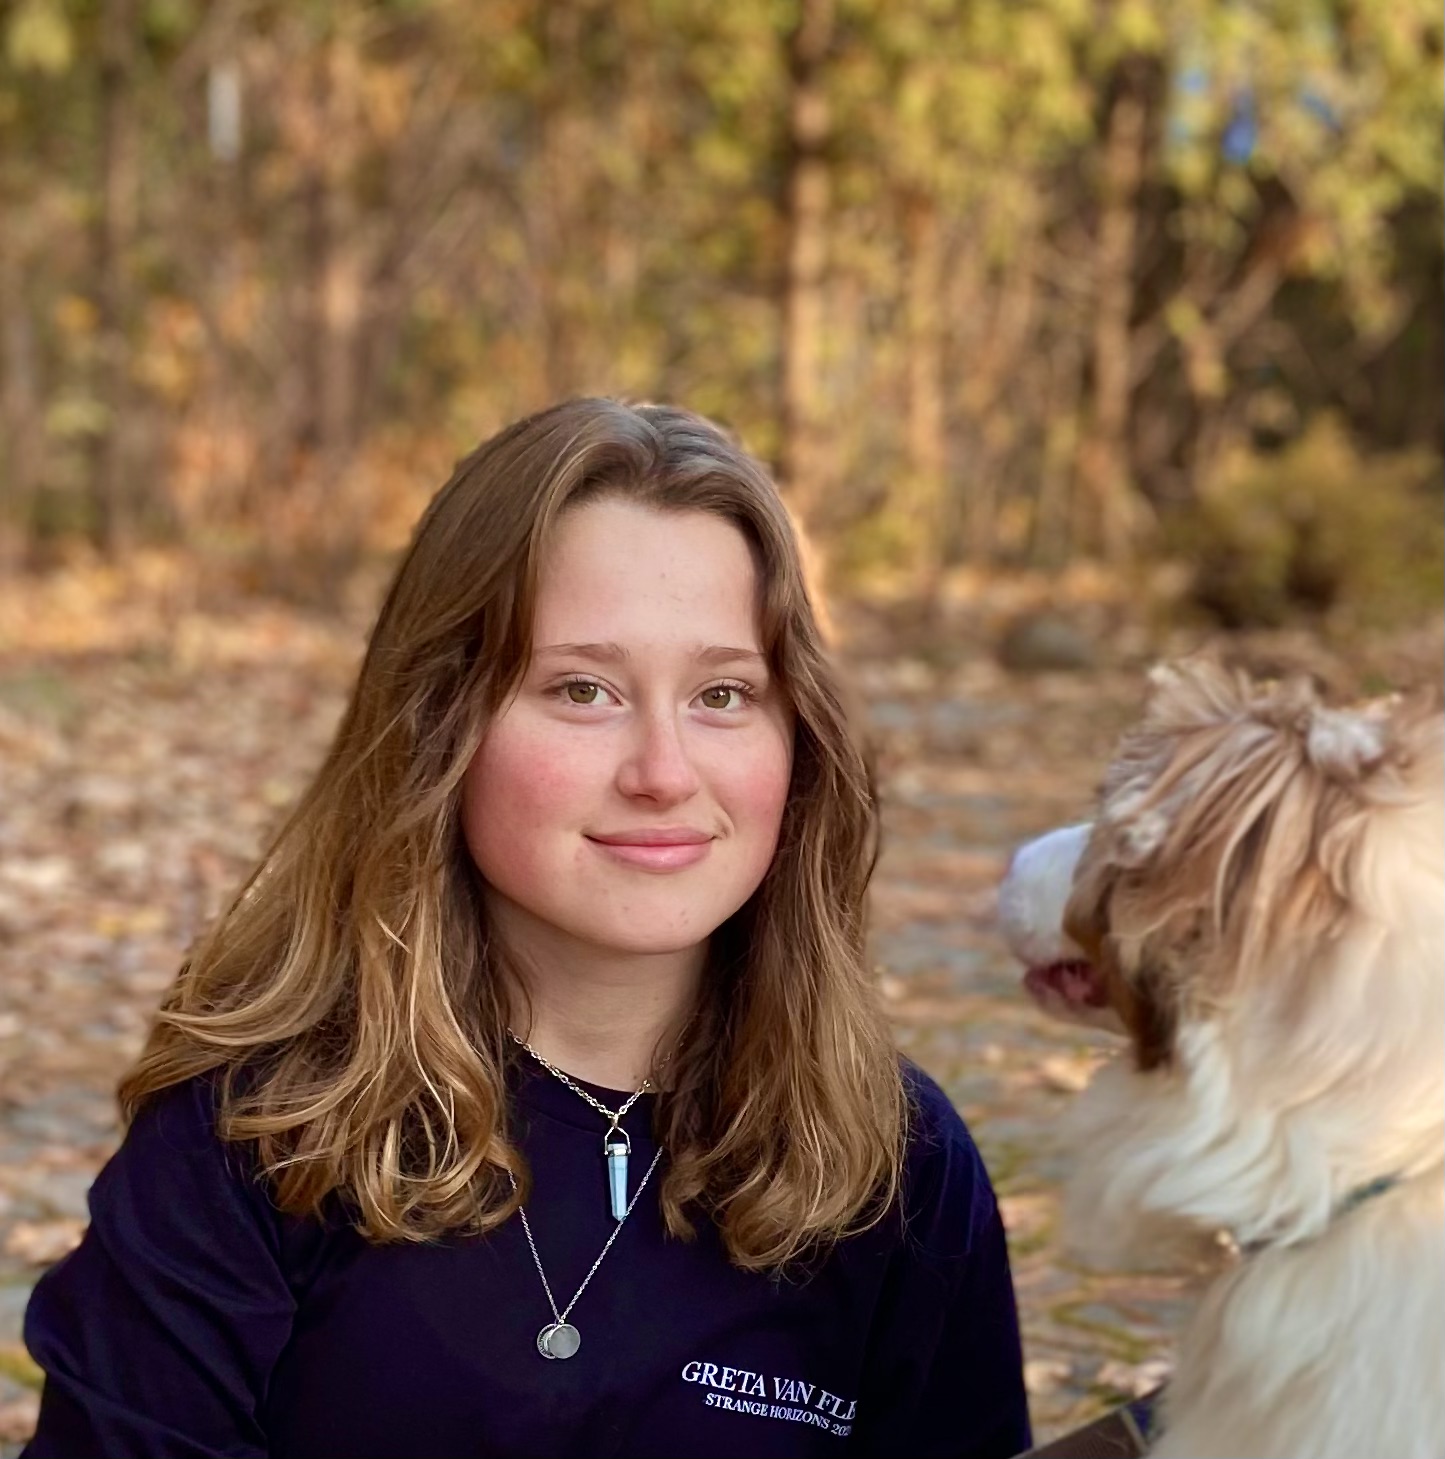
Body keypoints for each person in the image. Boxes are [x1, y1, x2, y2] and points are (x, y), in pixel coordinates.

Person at [21, 399, 1031, 1459]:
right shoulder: (254, 1123)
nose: (663, 772)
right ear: (439, 722)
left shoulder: (896, 1164)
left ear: (799, 735)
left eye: (723, 693)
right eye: (582, 689)